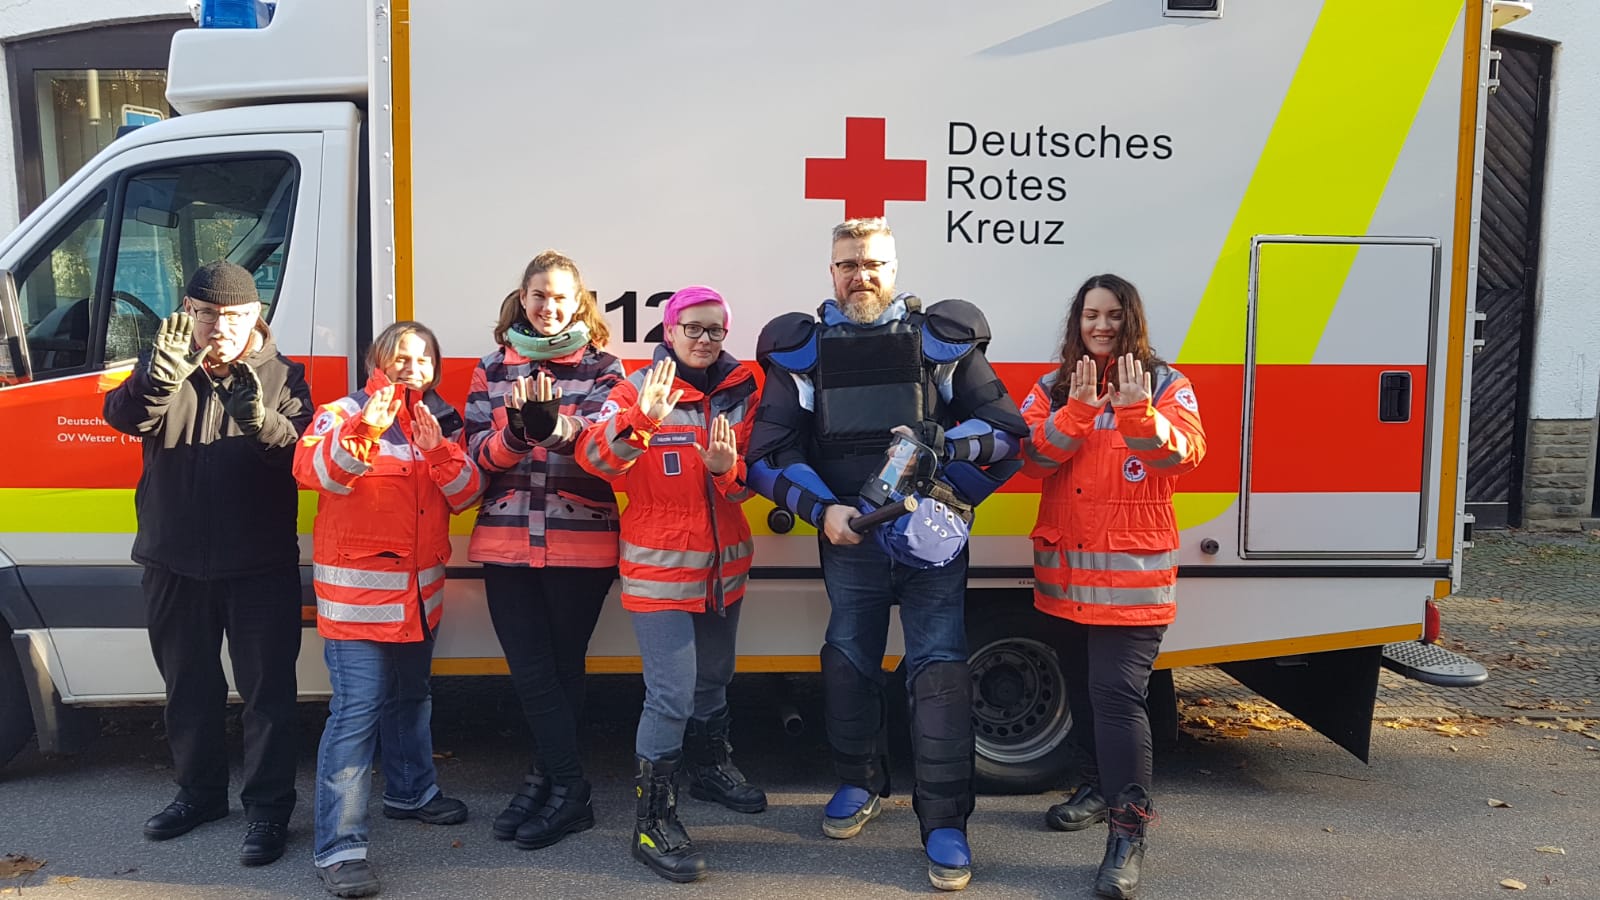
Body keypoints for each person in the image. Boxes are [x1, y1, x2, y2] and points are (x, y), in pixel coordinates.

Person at [747, 218, 1025, 891]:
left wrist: (944, 454)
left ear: (893, 270)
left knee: (939, 674)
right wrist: (824, 510)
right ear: (831, 272)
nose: (860, 276)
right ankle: (859, 783)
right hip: (849, 537)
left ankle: (946, 825)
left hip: (930, 538)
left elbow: (1006, 434)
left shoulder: (940, 342)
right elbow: (767, 455)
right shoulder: (802, 351)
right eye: (847, 264)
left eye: (872, 264)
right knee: (847, 661)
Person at [102, 260, 312, 866]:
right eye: (207, 314)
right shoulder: (165, 361)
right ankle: (198, 795)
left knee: (267, 695)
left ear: (256, 315)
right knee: (188, 687)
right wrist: (157, 379)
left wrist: (261, 422)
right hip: (172, 558)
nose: (219, 327)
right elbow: (123, 418)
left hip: (259, 563)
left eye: (234, 315)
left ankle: (269, 810)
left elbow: (301, 458)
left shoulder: (286, 376)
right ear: (188, 312)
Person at [1021, 274, 1205, 900]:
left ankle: (1128, 835)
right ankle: (1096, 788)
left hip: (1131, 583)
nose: (1101, 326)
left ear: (1133, 320)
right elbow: (1031, 461)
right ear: (1077, 322)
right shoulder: (1053, 386)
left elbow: (1183, 457)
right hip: (1065, 578)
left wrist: (1134, 411)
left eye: (1114, 315)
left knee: (1118, 698)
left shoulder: (1167, 384)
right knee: (1079, 688)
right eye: (1091, 315)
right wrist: (1075, 411)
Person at [576, 286, 765, 883]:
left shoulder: (744, 390)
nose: (705, 340)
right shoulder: (636, 388)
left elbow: (749, 482)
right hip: (659, 570)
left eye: (716, 330)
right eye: (693, 328)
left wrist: (727, 471)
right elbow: (595, 461)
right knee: (672, 694)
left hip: (723, 567)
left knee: (715, 676)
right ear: (670, 331)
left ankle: (709, 769)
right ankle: (651, 823)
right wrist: (643, 419)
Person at [294, 321, 483, 897]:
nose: (412, 366)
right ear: (377, 360)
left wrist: (439, 450)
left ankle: (411, 792)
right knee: (357, 715)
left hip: (418, 602)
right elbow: (313, 473)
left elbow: (468, 495)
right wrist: (367, 429)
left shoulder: (440, 420)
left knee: (411, 699)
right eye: (401, 356)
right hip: (357, 605)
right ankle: (339, 850)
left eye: (423, 359)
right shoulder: (342, 412)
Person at [465, 251, 624, 851]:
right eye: (539, 295)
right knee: (532, 671)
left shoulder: (605, 368)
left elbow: (605, 450)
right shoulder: (491, 368)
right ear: (523, 298)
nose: (548, 306)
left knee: (561, 669)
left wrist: (557, 430)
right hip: (505, 540)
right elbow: (474, 452)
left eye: (560, 296)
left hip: (581, 542)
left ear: (578, 302)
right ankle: (567, 786)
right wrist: (513, 436)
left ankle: (548, 783)